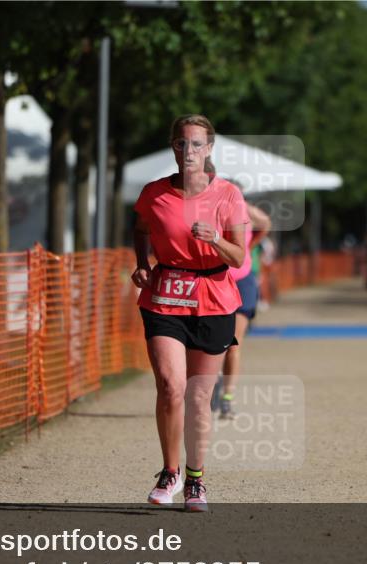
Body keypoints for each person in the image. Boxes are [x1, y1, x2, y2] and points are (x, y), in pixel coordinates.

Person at [132, 114, 247, 512]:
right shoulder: (153, 193)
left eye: (197, 144)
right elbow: (141, 226)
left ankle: (196, 479)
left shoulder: (228, 195)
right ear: (173, 148)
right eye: (182, 144)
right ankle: (170, 471)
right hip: (165, 295)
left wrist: (215, 239)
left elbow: (239, 257)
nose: (189, 151)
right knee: (169, 384)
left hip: (213, 298)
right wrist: (142, 262)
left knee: (199, 396)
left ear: (209, 149)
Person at [218, 201, 272, 419]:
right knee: (212, 344)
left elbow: (266, 223)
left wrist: (242, 205)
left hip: (242, 282)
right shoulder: (211, 211)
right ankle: (204, 388)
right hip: (216, 281)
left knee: (233, 343)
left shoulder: (245, 214)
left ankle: (227, 397)